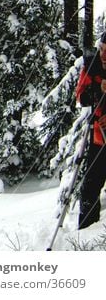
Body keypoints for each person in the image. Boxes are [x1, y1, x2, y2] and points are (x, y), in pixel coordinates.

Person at [74, 31, 106, 229]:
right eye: (102, 49)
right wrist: (95, 91)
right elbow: (81, 97)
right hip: (98, 139)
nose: (103, 55)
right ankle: (86, 234)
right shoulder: (92, 65)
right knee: (90, 189)